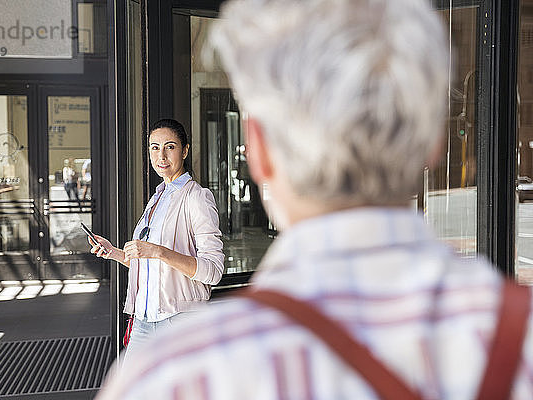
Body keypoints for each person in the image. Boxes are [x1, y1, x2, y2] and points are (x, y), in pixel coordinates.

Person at [97, 0, 533, 399]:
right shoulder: (520, 342)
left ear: (258, 149)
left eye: (167, 147)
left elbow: (208, 270)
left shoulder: (171, 375)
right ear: (432, 146)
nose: (160, 155)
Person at [89, 118, 224, 354]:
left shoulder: (196, 197)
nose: (161, 156)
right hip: (143, 319)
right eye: (154, 147)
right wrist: (114, 252)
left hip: (180, 322)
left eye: (170, 147)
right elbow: (151, 267)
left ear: (185, 151)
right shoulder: (158, 197)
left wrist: (158, 251)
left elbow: (213, 271)